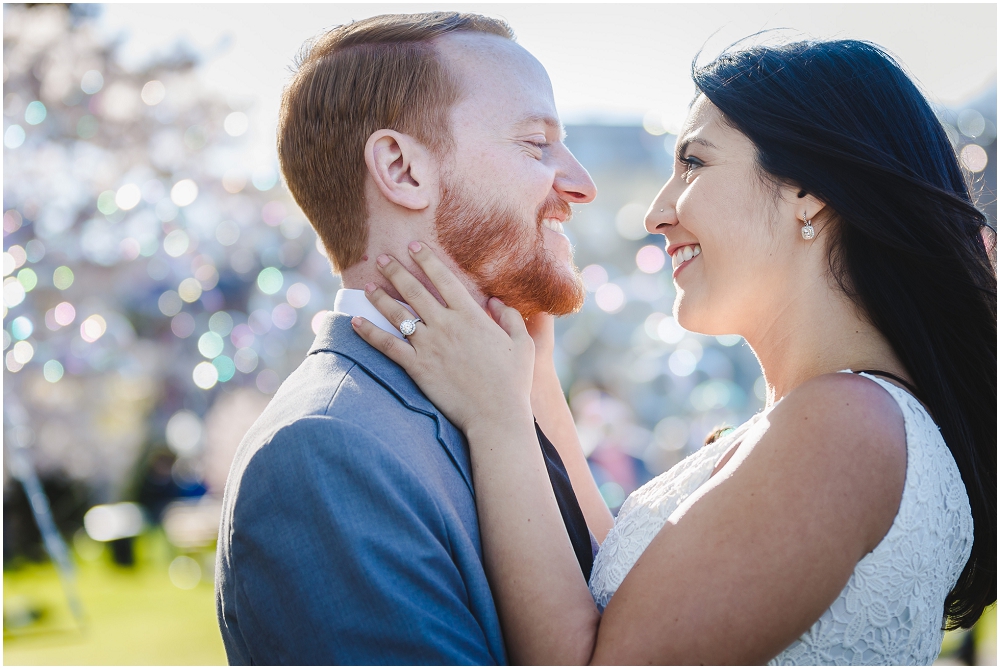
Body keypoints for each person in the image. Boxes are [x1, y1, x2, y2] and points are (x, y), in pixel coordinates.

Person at [354, 39, 997, 664]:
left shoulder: (844, 426)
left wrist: (494, 418)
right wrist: (533, 383)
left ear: (809, 188)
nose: (656, 213)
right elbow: (627, 598)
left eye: (693, 163)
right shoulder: (840, 418)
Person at [214, 11, 613, 665]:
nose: (581, 185)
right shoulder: (324, 449)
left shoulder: (508, 391)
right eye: (536, 145)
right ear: (400, 168)